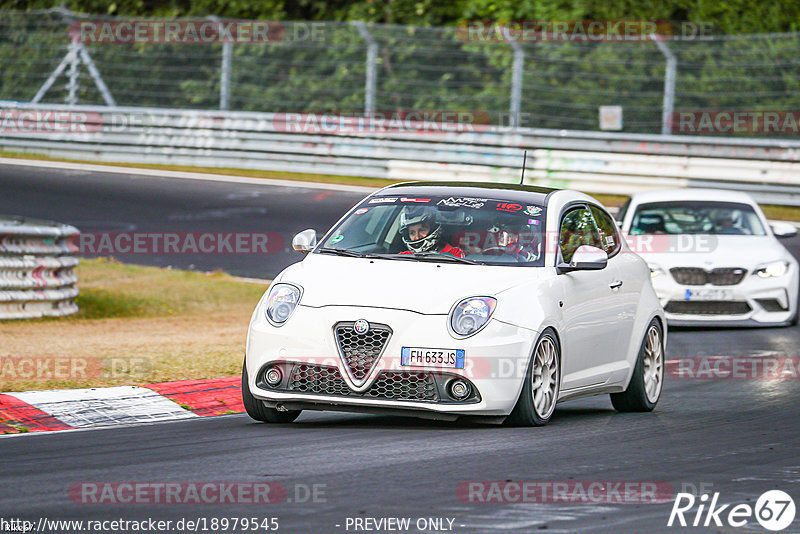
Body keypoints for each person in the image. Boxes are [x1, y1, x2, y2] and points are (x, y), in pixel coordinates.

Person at [398, 206, 464, 257]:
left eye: (422, 230)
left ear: (433, 228)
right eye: (412, 233)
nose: (417, 237)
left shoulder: (454, 254)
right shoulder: (404, 256)